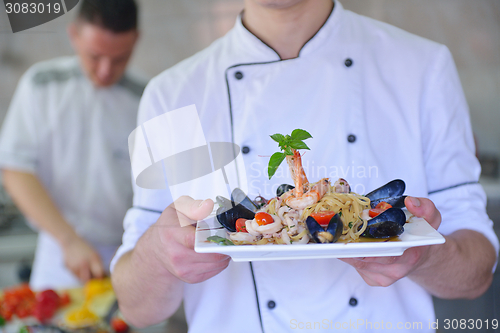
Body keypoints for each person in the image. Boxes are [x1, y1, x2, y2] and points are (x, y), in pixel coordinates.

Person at [111, 0, 499, 332]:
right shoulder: (170, 94)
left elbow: (477, 273)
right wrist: (157, 256)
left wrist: (427, 255)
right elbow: (137, 309)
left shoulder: (424, 67)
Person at [0, 0, 143, 290]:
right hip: (59, 252)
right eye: (95, 56)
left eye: (119, 59)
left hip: (129, 256)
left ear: (135, 40)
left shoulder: (147, 98)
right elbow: (15, 169)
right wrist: (68, 240)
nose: (105, 70)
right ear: (74, 35)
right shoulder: (41, 85)